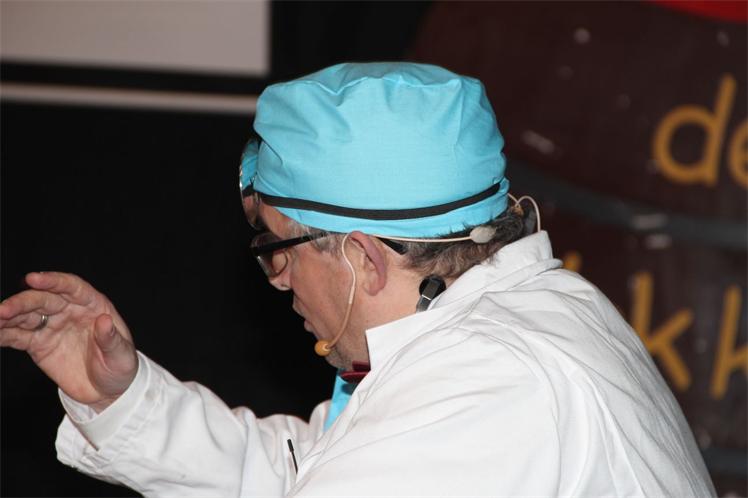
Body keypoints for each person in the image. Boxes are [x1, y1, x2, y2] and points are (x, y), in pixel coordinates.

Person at [0, 62, 715, 497]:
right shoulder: (527, 319)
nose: (278, 280)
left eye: (278, 249)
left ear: (364, 259)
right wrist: (119, 398)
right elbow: (307, 471)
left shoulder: (487, 387)